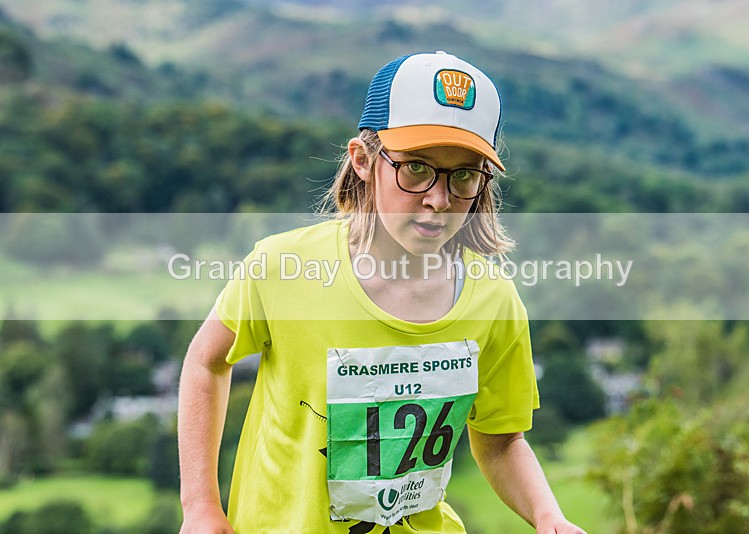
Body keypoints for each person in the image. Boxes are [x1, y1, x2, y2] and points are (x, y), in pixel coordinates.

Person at [178, 51, 586, 533]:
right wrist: (201, 507)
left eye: (465, 175)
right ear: (364, 160)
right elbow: (206, 362)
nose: (439, 198)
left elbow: (499, 441)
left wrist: (548, 516)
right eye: (416, 168)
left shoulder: (494, 301)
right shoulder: (282, 267)